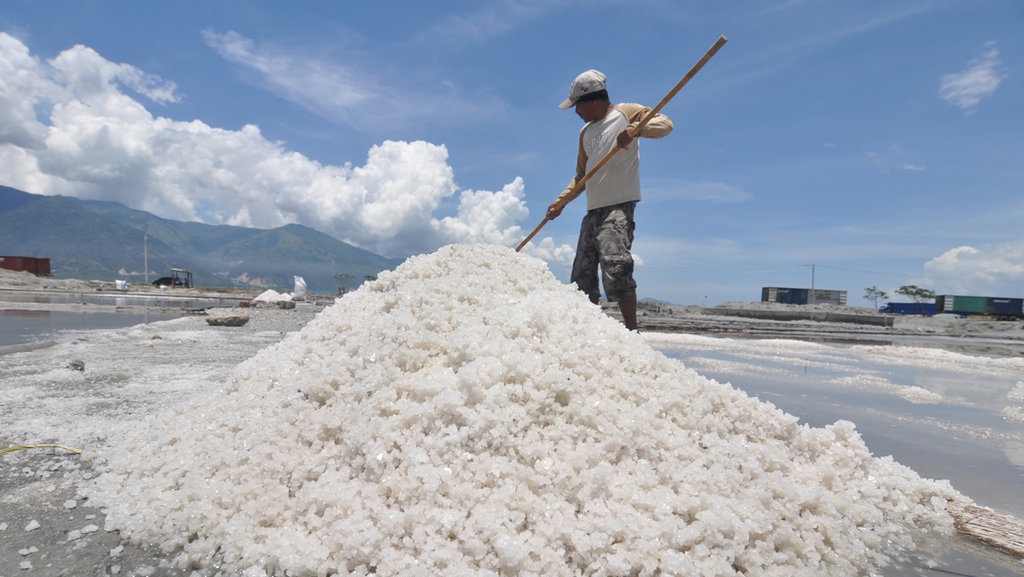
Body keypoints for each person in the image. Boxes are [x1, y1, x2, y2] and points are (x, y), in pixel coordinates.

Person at [546, 69, 673, 331]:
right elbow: (581, 176)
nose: (576, 112)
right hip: (592, 212)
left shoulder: (627, 111)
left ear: (592, 100)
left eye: (577, 106)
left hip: (618, 208)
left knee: (616, 268)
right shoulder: (585, 134)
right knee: (581, 277)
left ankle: (631, 331)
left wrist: (637, 130)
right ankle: (589, 331)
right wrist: (561, 203)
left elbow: (665, 125)